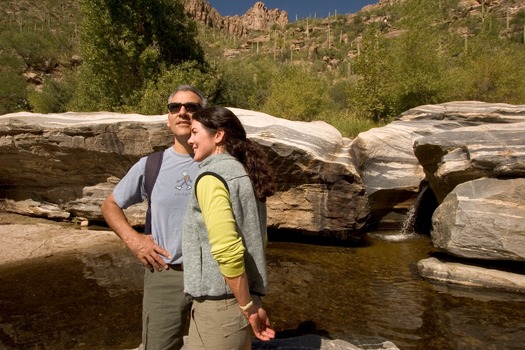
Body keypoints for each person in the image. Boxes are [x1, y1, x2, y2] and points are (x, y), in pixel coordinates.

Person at [101, 85, 207, 350]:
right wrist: (135, 241)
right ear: (169, 116)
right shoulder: (151, 165)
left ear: (203, 116)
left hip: (212, 276)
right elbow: (110, 205)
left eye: (191, 107)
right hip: (165, 274)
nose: (183, 112)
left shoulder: (218, 161)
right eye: (175, 107)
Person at [183, 106, 276, 349]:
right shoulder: (242, 172)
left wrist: (248, 307)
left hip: (220, 309)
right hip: (236, 303)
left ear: (218, 135)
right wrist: (251, 303)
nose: (190, 139)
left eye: (194, 132)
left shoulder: (211, 177)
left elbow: (228, 250)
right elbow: (258, 241)